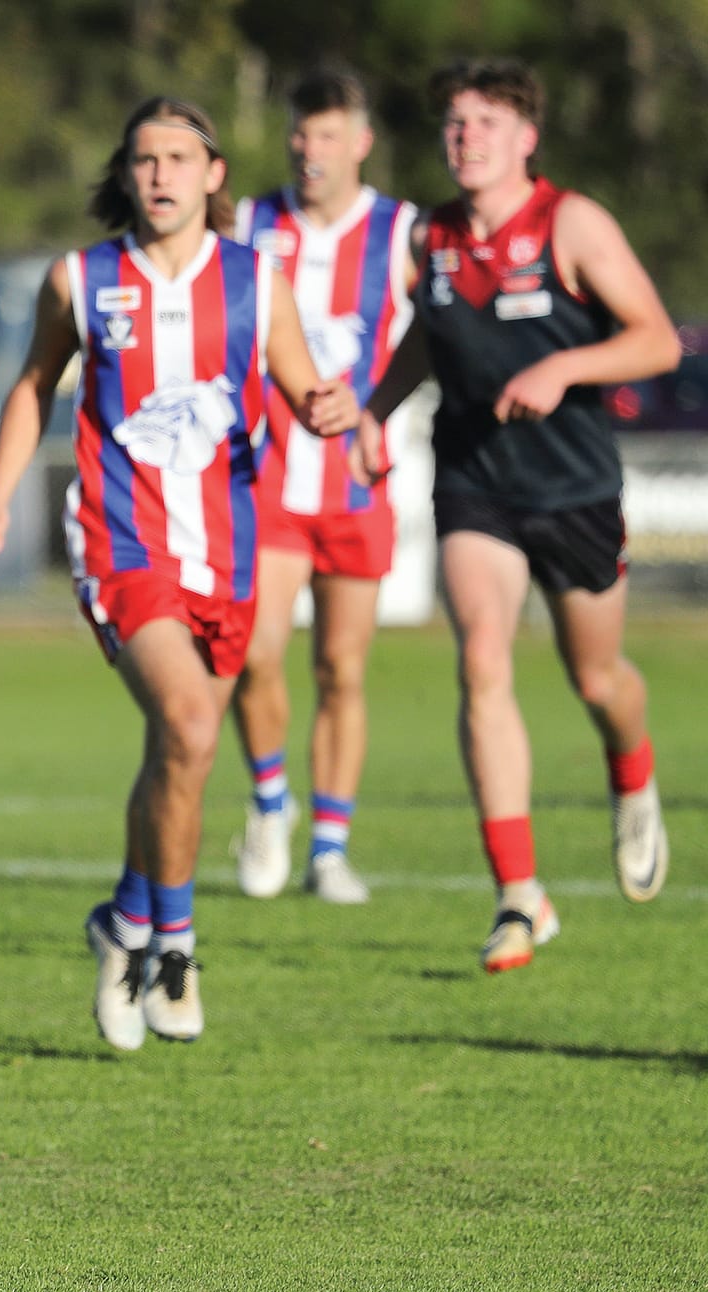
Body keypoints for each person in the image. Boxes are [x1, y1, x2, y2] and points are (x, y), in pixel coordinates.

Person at [0, 98, 358, 1052]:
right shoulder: (82, 280)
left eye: (181, 158)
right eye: (145, 159)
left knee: (184, 752)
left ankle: (124, 920)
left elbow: (302, 385)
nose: (162, 175)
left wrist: (331, 410)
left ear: (215, 173)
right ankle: (173, 944)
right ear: (126, 174)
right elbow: (30, 384)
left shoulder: (258, 281)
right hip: (120, 541)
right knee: (184, 723)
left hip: (227, 551)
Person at [360, 59, 677, 972]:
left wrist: (563, 368)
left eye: (486, 123)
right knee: (482, 660)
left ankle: (633, 777)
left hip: (574, 485)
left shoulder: (571, 223)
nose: (466, 138)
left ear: (526, 139)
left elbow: (654, 337)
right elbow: (429, 334)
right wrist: (375, 414)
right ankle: (518, 895)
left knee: (599, 681)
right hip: (474, 481)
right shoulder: (434, 237)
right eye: (455, 124)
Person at [227, 69, 418, 906]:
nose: (311, 150)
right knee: (253, 655)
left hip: (355, 487)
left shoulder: (402, 232)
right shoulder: (251, 224)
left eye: (329, 135)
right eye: (301, 135)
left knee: (342, 667)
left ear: (361, 143)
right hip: (267, 479)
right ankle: (273, 803)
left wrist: (382, 413)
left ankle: (331, 846)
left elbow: (440, 332)